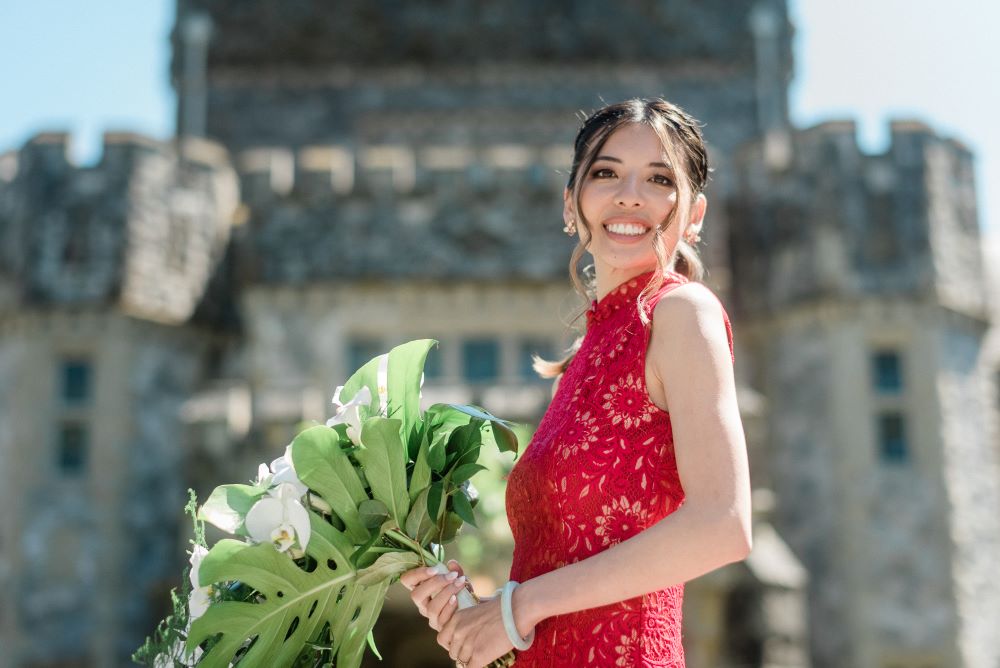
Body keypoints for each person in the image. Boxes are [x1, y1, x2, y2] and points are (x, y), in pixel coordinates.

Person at [400, 98, 752, 668]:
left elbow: (724, 524)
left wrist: (517, 609)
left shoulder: (683, 313)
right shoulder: (585, 354)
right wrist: (475, 611)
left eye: (659, 179)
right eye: (605, 173)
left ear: (694, 214)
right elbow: (556, 579)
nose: (629, 194)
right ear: (572, 203)